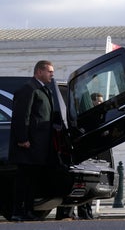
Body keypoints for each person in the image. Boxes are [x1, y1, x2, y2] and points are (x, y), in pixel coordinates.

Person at [9, 60, 57, 221]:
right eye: (49, 71)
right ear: (39, 72)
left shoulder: (44, 90)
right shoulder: (28, 89)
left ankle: (28, 211)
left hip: (39, 146)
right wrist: (23, 139)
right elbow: (21, 116)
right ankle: (17, 211)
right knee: (23, 180)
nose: (52, 74)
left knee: (32, 181)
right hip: (27, 145)